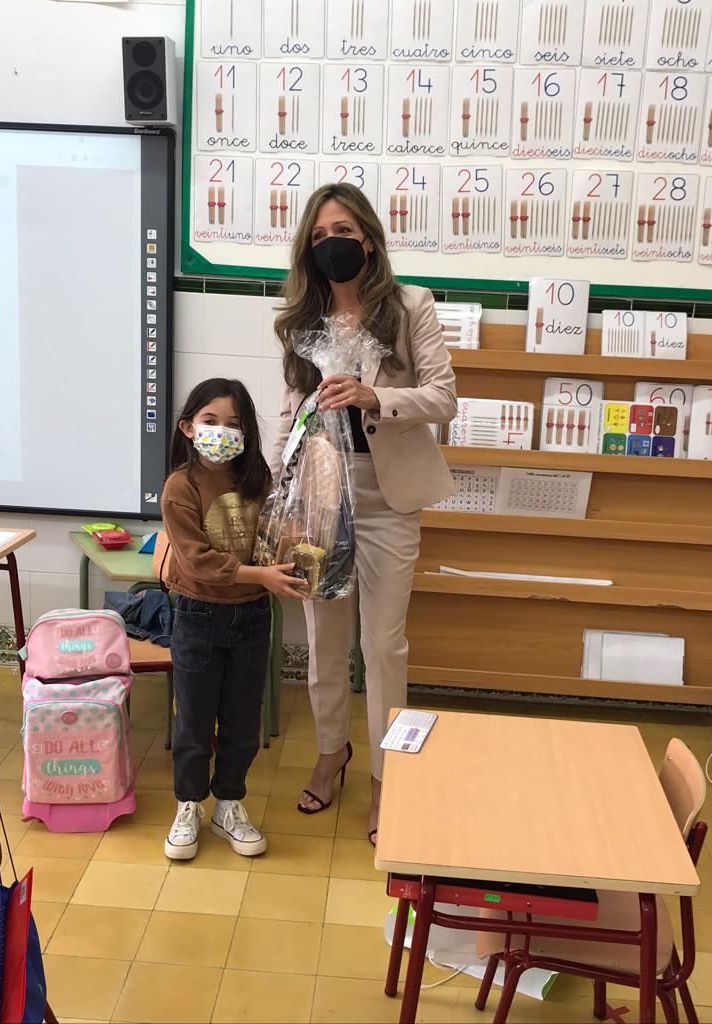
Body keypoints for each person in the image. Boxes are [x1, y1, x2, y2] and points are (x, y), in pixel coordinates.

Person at [271, 183, 457, 843]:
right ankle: (332, 753)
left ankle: (387, 776)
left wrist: (376, 397)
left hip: (387, 499)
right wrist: (279, 498)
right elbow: (291, 412)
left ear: (370, 240)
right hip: (319, 496)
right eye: (320, 236)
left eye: (344, 232)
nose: (332, 245)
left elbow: (443, 398)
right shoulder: (302, 319)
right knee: (323, 642)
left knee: (383, 647)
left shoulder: (409, 307)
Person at [161, 378, 307, 861]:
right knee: (194, 722)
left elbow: (273, 534)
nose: (221, 432)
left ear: (246, 433)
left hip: (251, 615)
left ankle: (228, 804)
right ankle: (188, 805)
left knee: (243, 721)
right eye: (210, 421)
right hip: (198, 614)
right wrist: (262, 575)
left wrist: (296, 545)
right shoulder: (180, 486)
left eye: (233, 423)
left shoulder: (256, 480)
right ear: (188, 427)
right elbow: (196, 562)